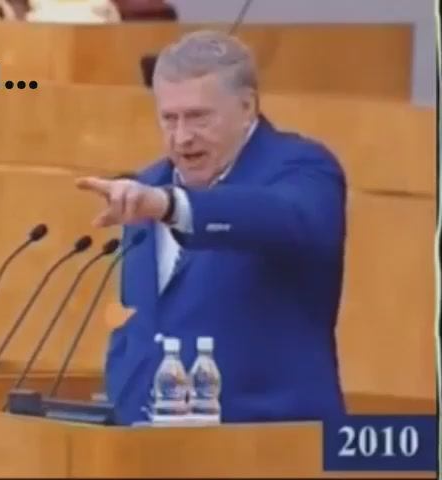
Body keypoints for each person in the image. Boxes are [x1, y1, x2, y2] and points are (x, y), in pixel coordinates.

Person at [76, 30, 347, 426]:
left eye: (198, 117)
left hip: (269, 441)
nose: (182, 137)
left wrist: (173, 206)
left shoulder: (303, 169)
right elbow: (142, 324)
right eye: (169, 119)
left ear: (247, 106)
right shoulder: (147, 183)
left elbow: (281, 217)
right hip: (146, 443)